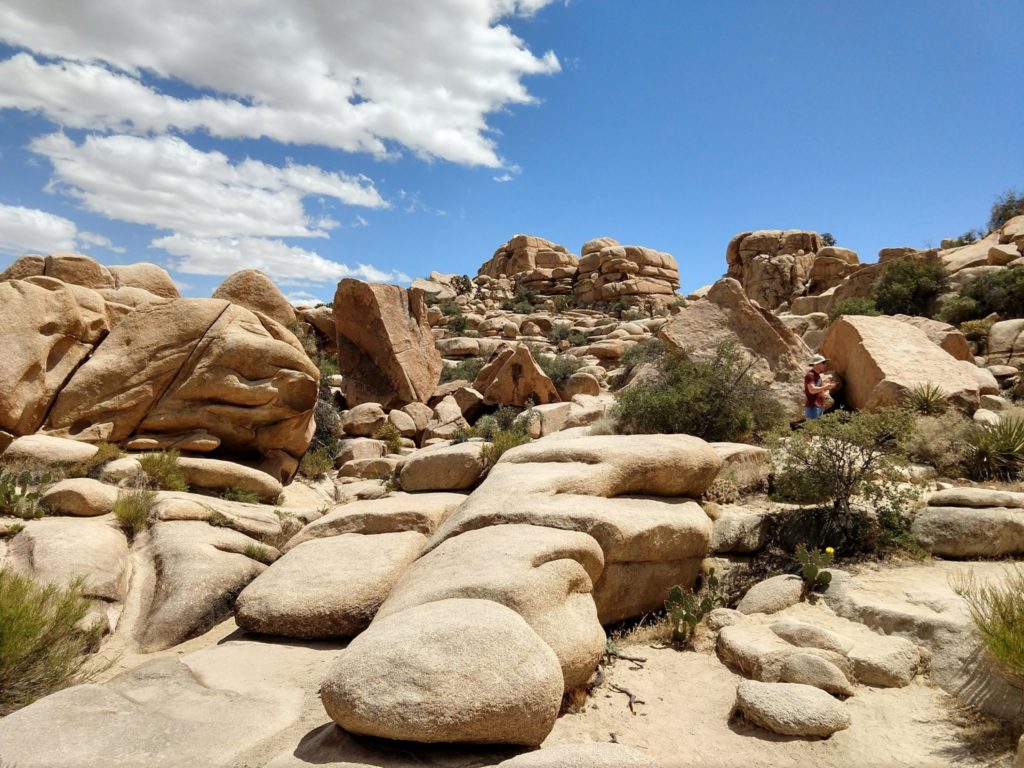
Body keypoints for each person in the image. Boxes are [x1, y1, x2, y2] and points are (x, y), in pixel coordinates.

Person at [804, 354, 834, 420]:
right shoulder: (810, 375)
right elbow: (812, 390)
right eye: (823, 363)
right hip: (813, 407)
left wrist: (828, 388)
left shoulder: (817, 375)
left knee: (817, 429)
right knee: (813, 429)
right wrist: (825, 387)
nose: (825, 365)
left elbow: (818, 390)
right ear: (816, 364)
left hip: (819, 406)